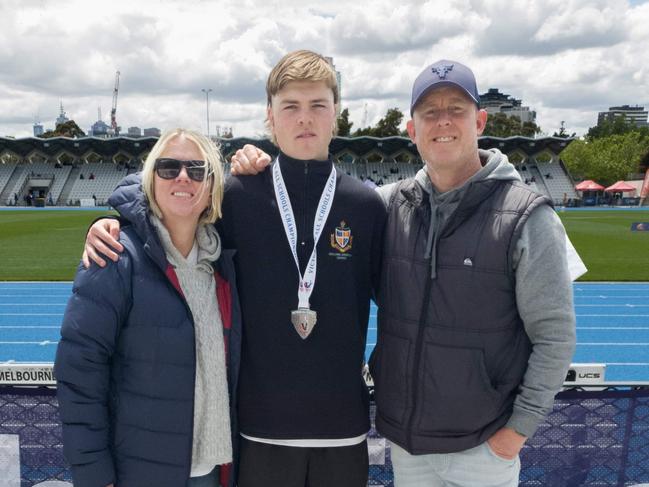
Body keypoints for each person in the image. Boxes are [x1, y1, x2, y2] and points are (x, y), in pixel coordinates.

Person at [228, 60, 582, 487]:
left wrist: (516, 432)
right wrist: (121, 221)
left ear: (480, 121)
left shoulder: (525, 214)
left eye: (457, 110)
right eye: (430, 113)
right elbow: (166, 205)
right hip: (401, 444)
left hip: (479, 441)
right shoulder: (390, 205)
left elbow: (556, 333)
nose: (443, 122)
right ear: (412, 129)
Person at [81, 51, 386, 487]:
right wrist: (113, 220)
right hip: (257, 428)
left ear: (335, 113)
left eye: (318, 105)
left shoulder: (366, 205)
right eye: (291, 107)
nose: (305, 119)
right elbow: (170, 204)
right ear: (270, 117)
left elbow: (400, 306)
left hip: (343, 427)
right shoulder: (237, 195)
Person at [54, 129, 241, 487]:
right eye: (168, 168)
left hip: (214, 469)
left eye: (198, 169)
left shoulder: (224, 265)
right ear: (149, 180)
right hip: (142, 472)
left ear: (212, 188)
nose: (183, 177)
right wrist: (94, 474)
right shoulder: (114, 257)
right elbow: (78, 373)